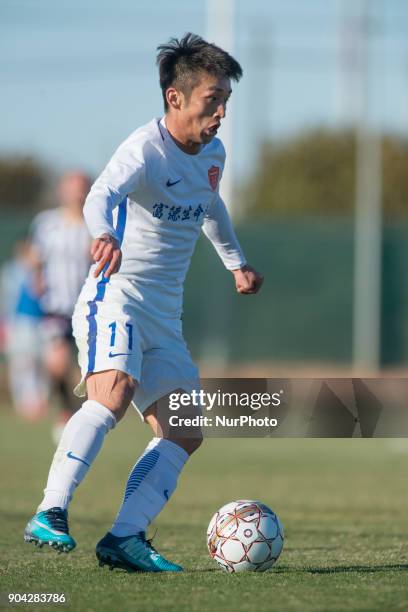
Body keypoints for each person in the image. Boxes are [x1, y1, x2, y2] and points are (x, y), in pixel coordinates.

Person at [24, 33, 263, 572]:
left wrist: (236, 262)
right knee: (112, 392)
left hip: (164, 314)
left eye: (226, 99)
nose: (222, 111)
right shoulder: (144, 149)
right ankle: (51, 510)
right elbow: (99, 194)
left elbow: (209, 207)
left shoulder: (213, 154)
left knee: (185, 430)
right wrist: (102, 233)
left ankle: (125, 537)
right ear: (175, 98)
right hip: (118, 296)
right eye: (212, 99)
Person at [30, 172, 92, 441]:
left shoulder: (95, 223)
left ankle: (87, 415)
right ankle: (66, 411)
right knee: (56, 362)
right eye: (73, 188)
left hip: (91, 306)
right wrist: (37, 276)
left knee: (93, 368)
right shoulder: (47, 223)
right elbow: (35, 257)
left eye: (82, 188)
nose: (77, 194)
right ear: (62, 190)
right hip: (56, 305)